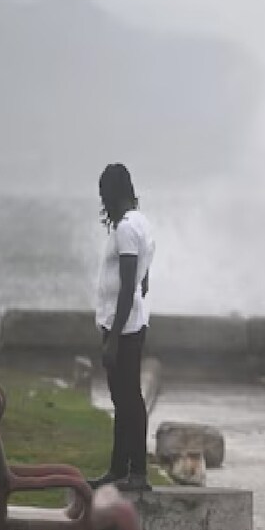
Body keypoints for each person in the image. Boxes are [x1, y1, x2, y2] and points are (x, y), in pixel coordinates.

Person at [88, 163, 156, 492]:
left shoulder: (126, 228)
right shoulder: (141, 223)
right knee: (123, 398)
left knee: (129, 399)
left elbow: (129, 284)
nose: (104, 204)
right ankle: (118, 469)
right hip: (131, 322)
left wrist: (113, 339)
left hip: (124, 328)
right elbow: (144, 277)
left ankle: (137, 472)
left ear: (114, 195)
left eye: (105, 196)